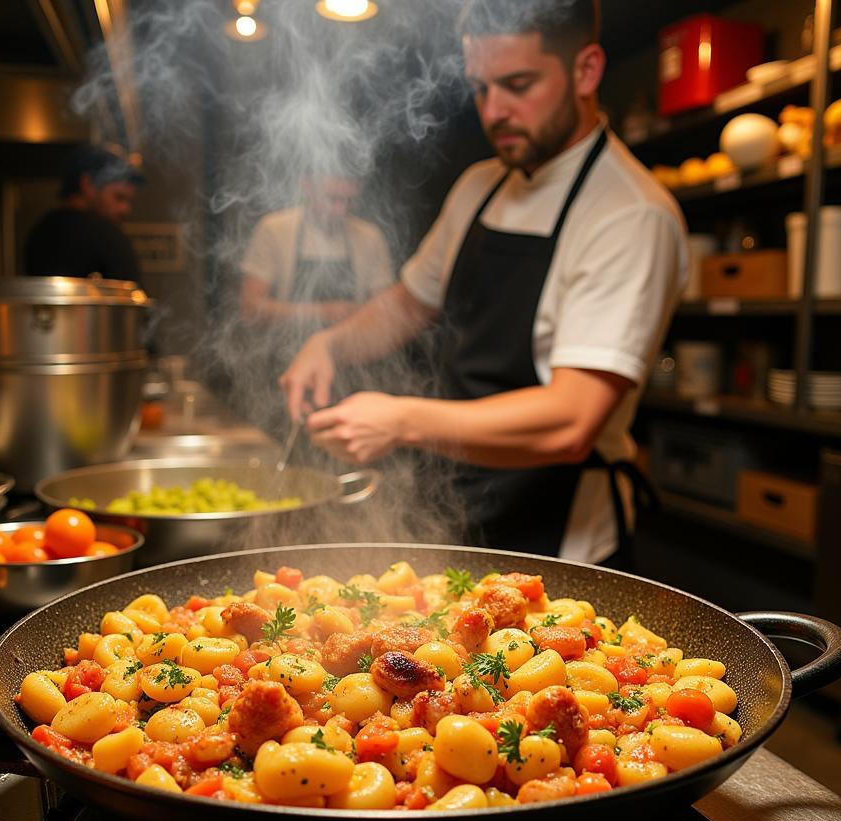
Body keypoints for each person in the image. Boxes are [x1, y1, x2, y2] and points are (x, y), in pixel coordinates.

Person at [280, 0, 687, 568]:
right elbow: (407, 302)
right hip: (458, 503)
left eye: (518, 84)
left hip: (560, 533)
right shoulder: (480, 185)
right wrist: (328, 343)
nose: (495, 111)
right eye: (481, 88)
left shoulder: (632, 214)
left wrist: (401, 420)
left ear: (586, 70)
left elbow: (572, 420)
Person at [240, 174, 394, 332]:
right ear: (307, 186)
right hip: (286, 351)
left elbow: (383, 311)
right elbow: (251, 309)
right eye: (332, 199)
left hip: (351, 350)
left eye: (349, 201)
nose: (340, 210)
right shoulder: (275, 230)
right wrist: (321, 312)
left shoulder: (370, 237)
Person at [25, 144, 144, 283]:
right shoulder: (106, 234)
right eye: (119, 197)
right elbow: (135, 298)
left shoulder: (40, 231)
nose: (125, 209)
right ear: (88, 184)